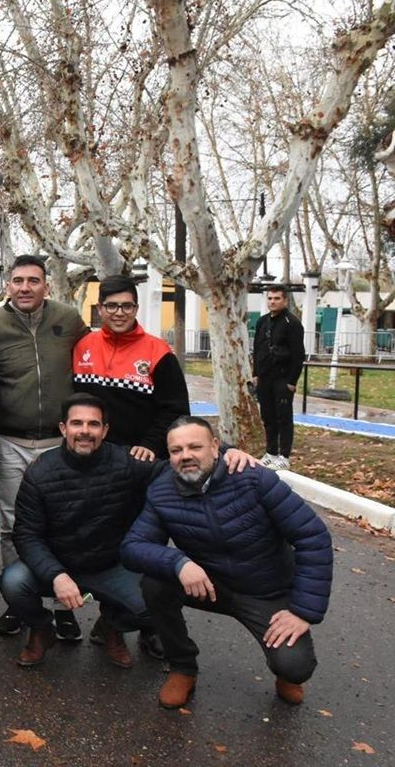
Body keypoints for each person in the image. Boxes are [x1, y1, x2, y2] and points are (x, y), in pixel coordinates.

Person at [122, 416, 333, 709]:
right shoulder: (161, 492)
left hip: (266, 592)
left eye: (195, 446)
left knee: (295, 665)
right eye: (176, 450)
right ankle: (183, 667)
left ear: (216, 447)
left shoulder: (254, 478)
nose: (186, 456)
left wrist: (302, 612)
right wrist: (178, 563)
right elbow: (133, 547)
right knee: (156, 584)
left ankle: (287, 676)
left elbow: (313, 537)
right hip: (211, 585)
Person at [0, 393, 166, 669]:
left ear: (105, 430)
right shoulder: (40, 472)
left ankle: (111, 627)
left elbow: (182, 464)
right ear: (63, 428)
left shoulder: (127, 462)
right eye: (77, 424)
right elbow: (27, 535)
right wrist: (56, 575)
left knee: (156, 605)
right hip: (58, 564)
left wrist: (225, 453)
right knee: (13, 583)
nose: (85, 431)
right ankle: (42, 630)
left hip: (110, 565)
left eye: (93, 424)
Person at [0, 254, 89, 639]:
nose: (25, 288)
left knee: (64, 524)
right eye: (18, 281)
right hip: (10, 441)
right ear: (8, 285)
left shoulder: (69, 319)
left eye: (33, 281)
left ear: (47, 285)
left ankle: (65, 608)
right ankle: (20, 603)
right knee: (12, 525)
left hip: (60, 443)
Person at [73, 274, 189, 459]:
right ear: (100, 309)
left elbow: (176, 410)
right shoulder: (82, 347)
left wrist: (151, 445)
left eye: (127, 306)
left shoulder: (158, 351)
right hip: (91, 457)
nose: (119, 313)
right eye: (111, 305)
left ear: (136, 309)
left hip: (139, 460)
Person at [252, 286, 306, 470]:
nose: (272, 301)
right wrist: (255, 375)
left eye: (276, 298)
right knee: (268, 416)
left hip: (283, 379)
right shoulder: (262, 322)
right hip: (264, 379)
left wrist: (292, 382)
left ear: (285, 301)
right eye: (270, 298)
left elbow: (299, 355)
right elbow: (257, 350)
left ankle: (284, 455)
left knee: (283, 417)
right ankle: (271, 451)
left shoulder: (293, 323)